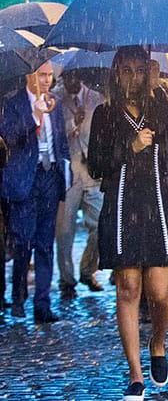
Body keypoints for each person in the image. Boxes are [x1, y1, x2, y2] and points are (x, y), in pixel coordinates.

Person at [88, 47, 168, 400]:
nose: (132, 77)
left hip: (158, 208)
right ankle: (135, 374)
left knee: (161, 295)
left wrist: (159, 90)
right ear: (116, 73)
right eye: (126, 71)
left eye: (139, 70)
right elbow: (97, 165)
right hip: (121, 208)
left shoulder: (157, 108)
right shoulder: (104, 114)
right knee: (128, 288)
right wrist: (129, 147)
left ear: (148, 72)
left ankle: (158, 343)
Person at [0, 61, 69, 324]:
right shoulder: (14, 102)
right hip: (24, 182)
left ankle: (43, 304)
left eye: (50, 75)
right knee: (23, 242)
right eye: (42, 75)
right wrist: (35, 117)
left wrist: (65, 170)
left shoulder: (56, 103)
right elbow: (9, 137)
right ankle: (18, 297)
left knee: (45, 243)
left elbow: (60, 140)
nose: (47, 80)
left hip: (49, 177)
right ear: (30, 75)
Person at [55, 71, 105, 299]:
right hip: (69, 175)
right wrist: (70, 125)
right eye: (66, 80)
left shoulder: (97, 99)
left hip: (93, 174)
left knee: (101, 225)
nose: (70, 83)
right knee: (64, 232)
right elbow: (53, 134)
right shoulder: (55, 100)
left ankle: (88, 269)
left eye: (74, 79)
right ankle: (67, 281)